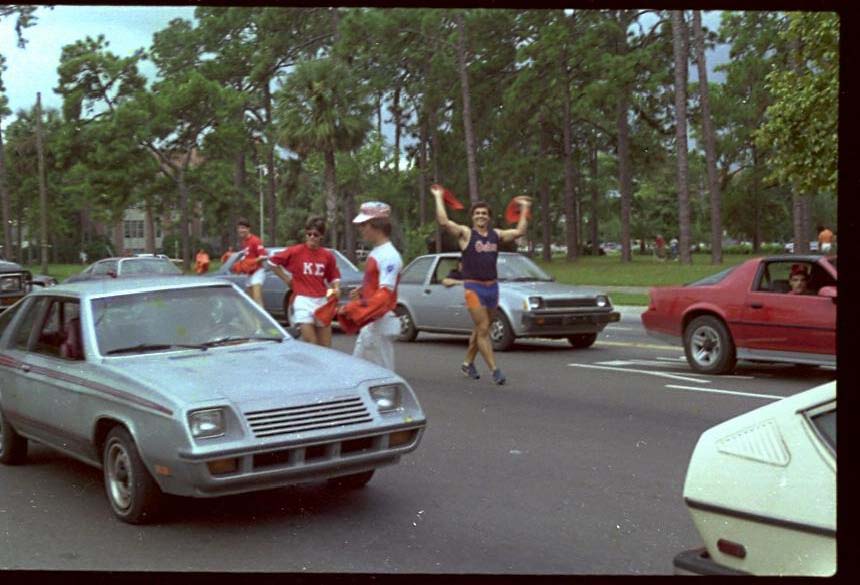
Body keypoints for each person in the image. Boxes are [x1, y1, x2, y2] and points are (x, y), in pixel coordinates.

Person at [432, 185, 532, 385]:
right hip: (474, 287)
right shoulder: (466, 234)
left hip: (492, 288)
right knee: (484, 328)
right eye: (477, 213)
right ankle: (495, 370)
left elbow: (520, 231)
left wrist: (524, 208)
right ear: (472, 217)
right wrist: (438, 197)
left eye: (484, 213)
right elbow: (444, 222)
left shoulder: (496, 234)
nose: (481, 216)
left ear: (489, 217)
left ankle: (467, 363)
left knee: (481, 329)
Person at [337, 201, 403, 371]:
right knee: (357, 373)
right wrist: (362, 293)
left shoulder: (389, 255)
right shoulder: (378, 252)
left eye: (364, 225)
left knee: (382, 376)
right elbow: (378, 286)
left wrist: (354, 308)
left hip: (379, 323)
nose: (361, 229)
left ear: (377, 226)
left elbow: (385, 295)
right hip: (372, 324)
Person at [265, 216, 341, 347]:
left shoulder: (327, 255)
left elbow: (333, 276)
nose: (311, 237)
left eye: (315, 235)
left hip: (321, 301)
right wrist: (287, 279)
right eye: (309, 234)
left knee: (326, 346)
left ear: (321, 236)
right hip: (302, 300)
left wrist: (336, 288)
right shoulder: (296, 251)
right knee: (311, 342)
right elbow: (272, 262)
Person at [231, 218, 267, 306]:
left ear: (248, 229)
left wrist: (250, 262)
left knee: (257, 298)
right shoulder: (244, 242)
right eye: (239, 228)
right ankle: (254, 315)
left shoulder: (255, 240)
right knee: (250, 301)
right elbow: (247, 257)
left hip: (258, 271)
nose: (241, 230)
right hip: (250, 273)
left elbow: (264, 256)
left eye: (243, 228)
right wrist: (241, 265)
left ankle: (261, 315)